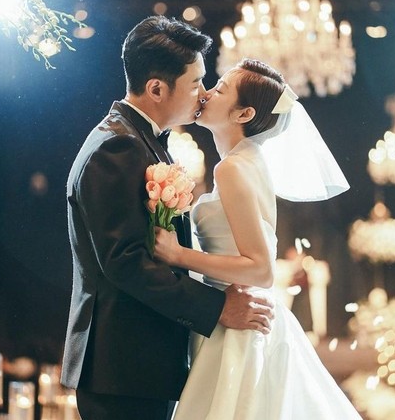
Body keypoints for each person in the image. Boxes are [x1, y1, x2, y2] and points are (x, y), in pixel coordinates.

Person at [61, 16, 274, 420]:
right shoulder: (117, 148)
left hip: (140, 369)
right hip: (124, 369)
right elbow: (126, 262)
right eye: (195, 83)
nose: (204, 93)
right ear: (157, 88)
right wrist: (217, 307)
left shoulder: (141, 141)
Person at [153, 58, 360, 419]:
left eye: (220, 90)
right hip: (237, 314)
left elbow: (261, 270)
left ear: (243, 113)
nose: (206, 93)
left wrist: (177, 255)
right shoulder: (248, 161)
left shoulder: (232, 168)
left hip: (237, 325)